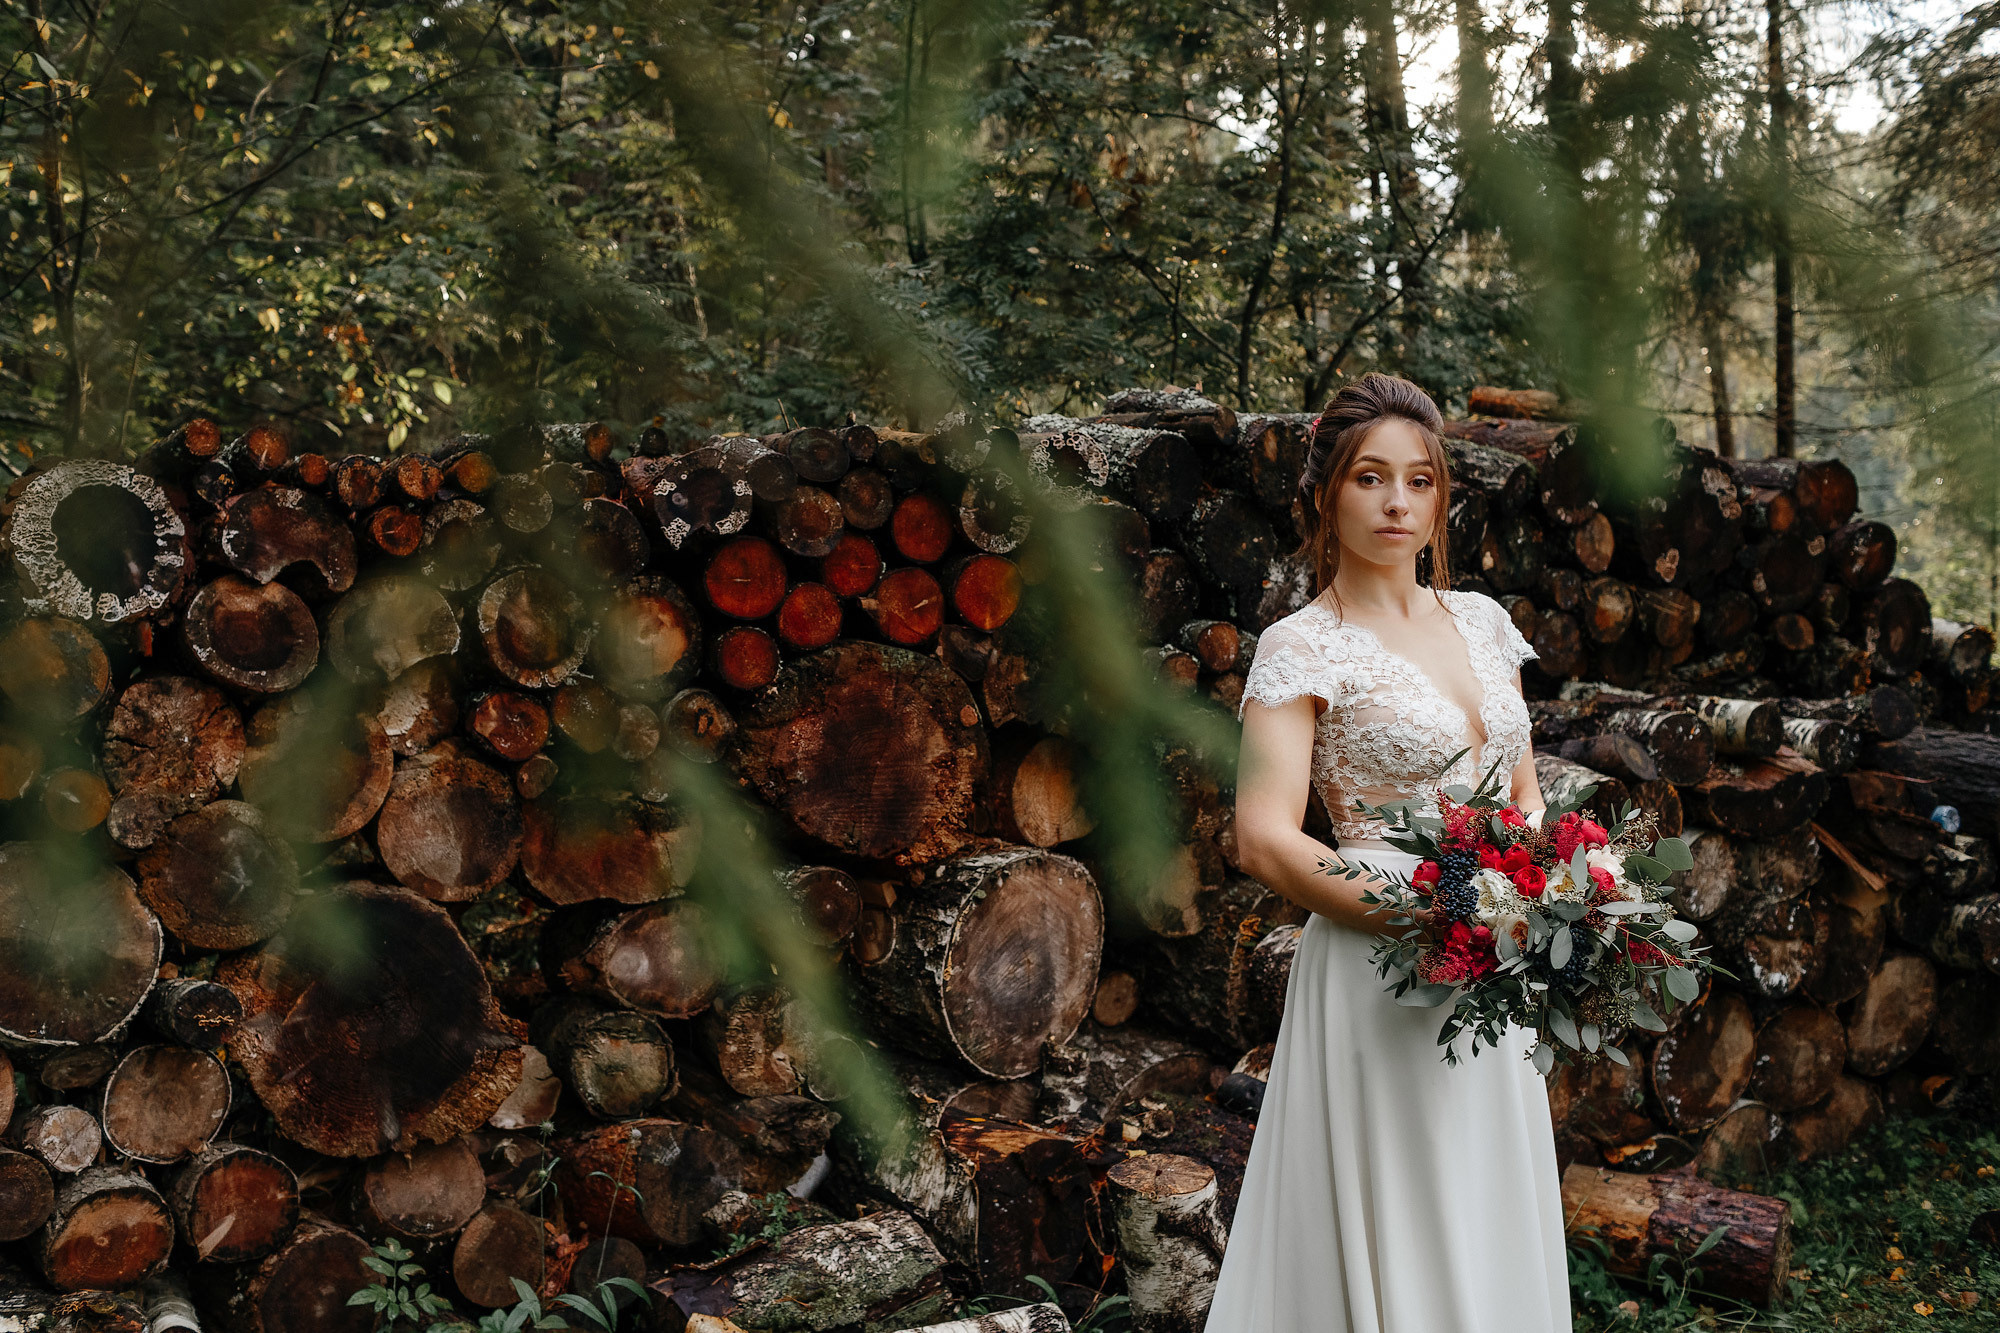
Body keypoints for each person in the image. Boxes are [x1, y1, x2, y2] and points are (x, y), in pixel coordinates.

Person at [1200, 372, 1572, 1331]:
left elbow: (1523, 790)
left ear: (1442, 495)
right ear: (1329, 492)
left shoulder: (1484, 623)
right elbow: (1264, 834)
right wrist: (1429, 909)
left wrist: (1541, 893)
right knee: (1396, 1213)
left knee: (1483, 1202)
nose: (1397, 501)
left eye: (1418, 480)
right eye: (1370, 477)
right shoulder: (1300, 645)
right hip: (1379, 964)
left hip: (1498, 959)